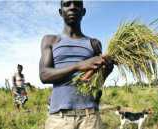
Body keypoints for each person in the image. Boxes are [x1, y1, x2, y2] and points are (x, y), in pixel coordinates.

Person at [39, 0, 113, 129]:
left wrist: (106, 71)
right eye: (67, 4)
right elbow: (44, 75)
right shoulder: (50, 40)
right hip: (59, 119)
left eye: (77, 4)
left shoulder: (94, 43)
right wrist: (78, 66)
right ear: (60, 12)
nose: (72, 7)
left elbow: (96, 83)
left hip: (89, 118)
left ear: (83, 12)